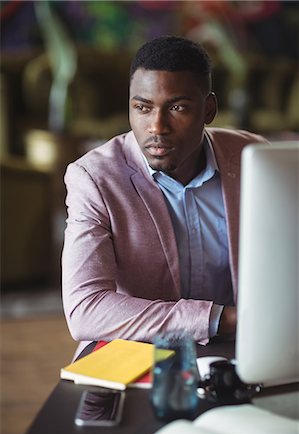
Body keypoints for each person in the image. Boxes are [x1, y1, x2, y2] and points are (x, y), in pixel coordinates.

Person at [62, 35, 267, 356]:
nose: (157, 126)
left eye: (177, 108)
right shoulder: (95, 177)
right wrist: (220, 320)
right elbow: (85, 308)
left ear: (209, 109)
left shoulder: (253, 158)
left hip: (250, 347)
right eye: (142, 108)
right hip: (141, 352)